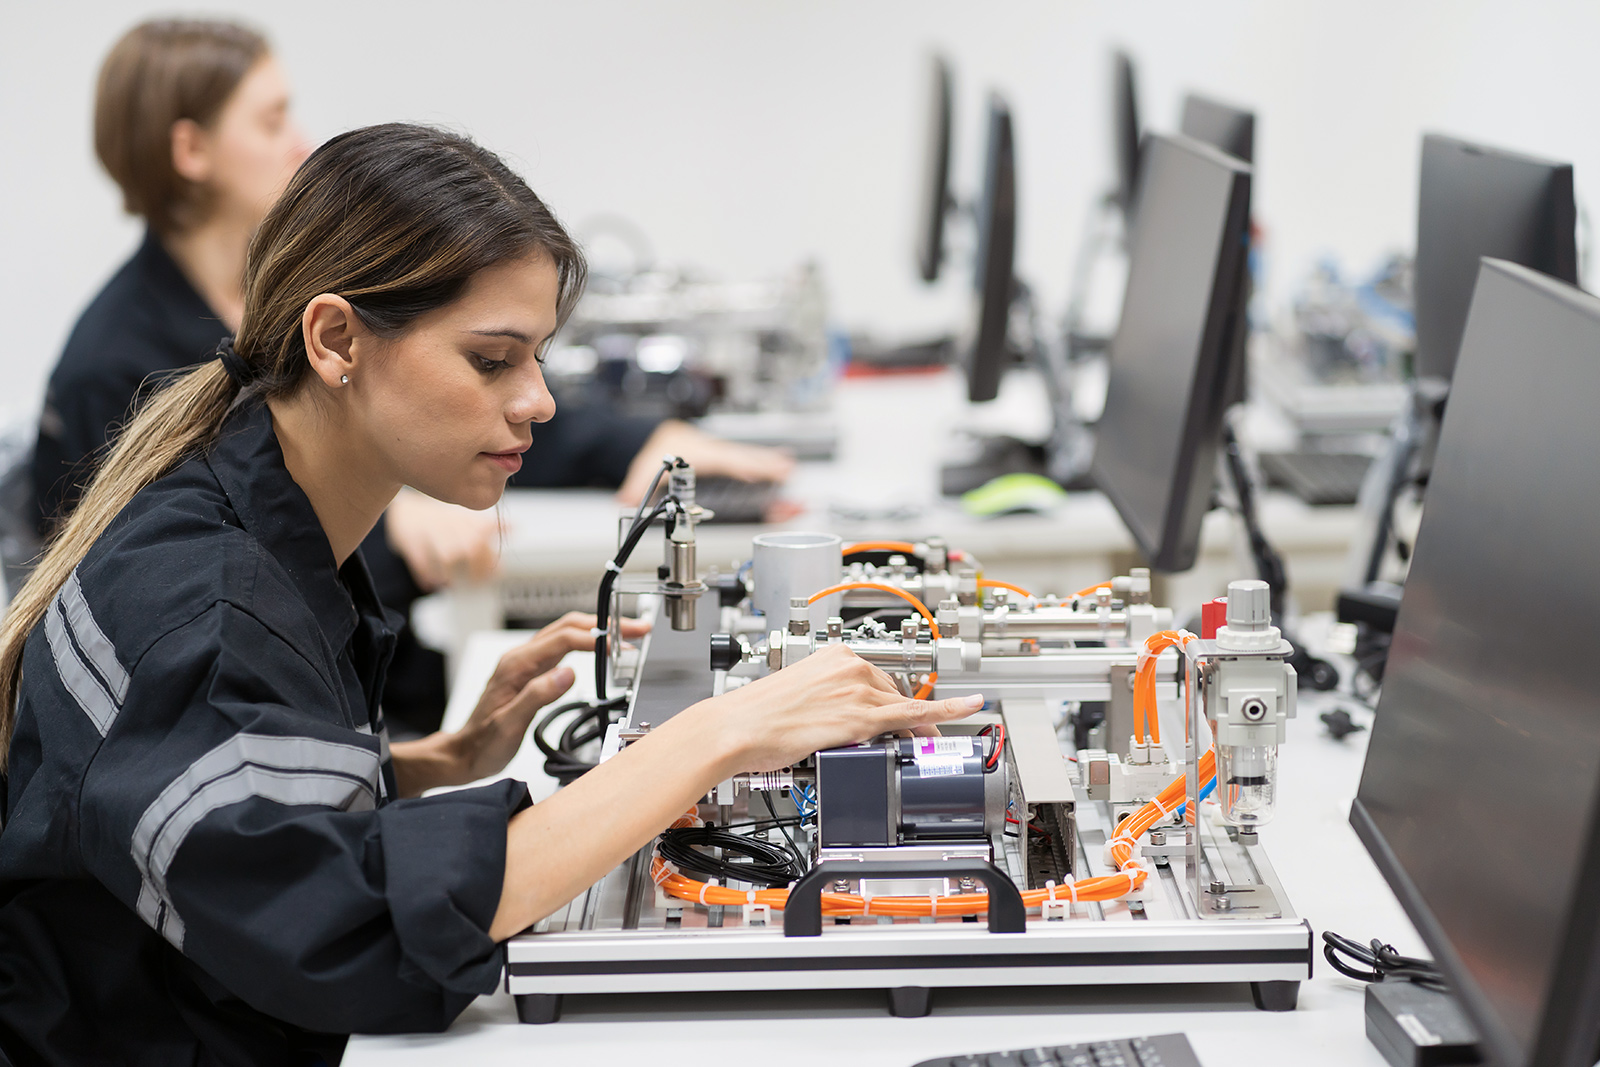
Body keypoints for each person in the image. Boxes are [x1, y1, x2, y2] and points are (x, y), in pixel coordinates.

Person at [0, 123, 977, 1063]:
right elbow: (351, 926)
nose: (538, 400)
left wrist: (430, 762)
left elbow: (239, 816)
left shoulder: (253, 506)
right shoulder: (204, 609)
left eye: (538, 355)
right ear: (336, 340)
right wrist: (714, 734)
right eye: (491, 358)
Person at [33, 17, 795, 735]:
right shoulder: (123, 371)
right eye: (270, 122)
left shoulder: (259, 309)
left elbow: (454, 389)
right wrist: (709, 741)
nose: (298, 142)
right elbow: (320, 863)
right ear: (191, 150)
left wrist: (636, 439)